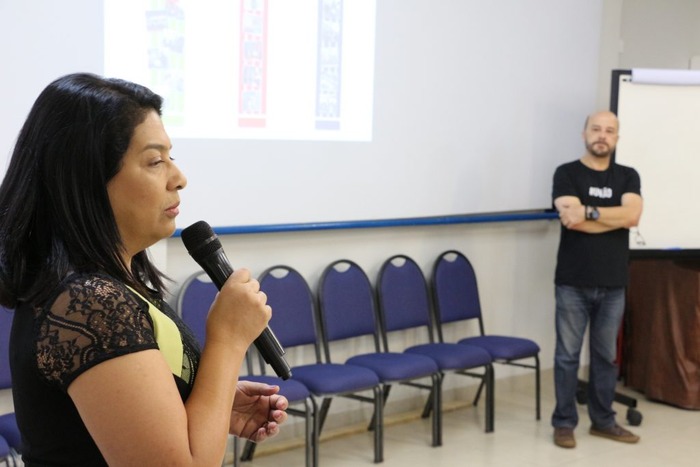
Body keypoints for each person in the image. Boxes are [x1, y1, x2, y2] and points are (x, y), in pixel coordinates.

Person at [0, 73, 288, 466]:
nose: (178, 178)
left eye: (171, 157)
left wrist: (203, 400)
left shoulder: (112, 285)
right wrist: (229, 339)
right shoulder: (87, 304)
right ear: (89, 179)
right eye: (155, 161)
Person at [550, 110, 643, 449]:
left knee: (605, 357)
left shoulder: (628, 176)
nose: (602, 135)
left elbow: (632, 215)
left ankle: (603, 422)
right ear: (584, 133)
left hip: (613, 283)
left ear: (617, 138)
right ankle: (564, 423)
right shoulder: (567, 173)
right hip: (573, 282)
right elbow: (570, 220)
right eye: (596, 129)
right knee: (567, 357)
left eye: (609, 131)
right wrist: (611, 217)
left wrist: (589, 211)